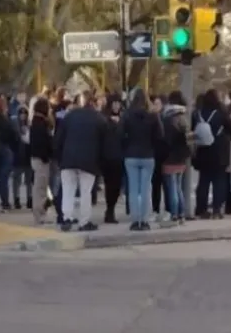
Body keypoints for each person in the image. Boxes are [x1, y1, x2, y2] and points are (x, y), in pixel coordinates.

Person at [54, 91, 106, 232]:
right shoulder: (98, 119)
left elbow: (58, 139)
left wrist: (60, 158)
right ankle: (84, 222)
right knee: (85, 192)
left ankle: (66, 218)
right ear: (93, 103)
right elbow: (104, 143)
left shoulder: (70, 117)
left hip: (68, 159)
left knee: (68, 190)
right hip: (89, 161)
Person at [121, 89, 163, 231]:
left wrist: (126, 146)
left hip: (131, 155)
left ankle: (135, 220)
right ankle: (144, 220)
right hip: (147, 155)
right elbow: (160, 136)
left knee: (133, 189)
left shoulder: (127, 115)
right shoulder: (153, 116)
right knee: (145, 189)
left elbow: (120, 134)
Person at [191, 89, 231, 219]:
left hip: (203, 151)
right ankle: (217, 209)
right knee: (219, 181)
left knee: (203, 181)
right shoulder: (221, 112)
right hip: (219, 151)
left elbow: (194, 130)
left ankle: (201, 208)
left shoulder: (198, 113)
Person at [160, 91, 191, 223]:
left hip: (170, 157)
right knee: (178, 187)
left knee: (172, 187)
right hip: (182, 157)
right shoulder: (184, 118)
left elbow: (165, 140)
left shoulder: (167, 119)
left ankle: (174, 213)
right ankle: (182, 213)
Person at [29, 98, 54, 224]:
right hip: (41, 159)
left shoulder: (36, 122)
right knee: (40, 188)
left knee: (40, 187)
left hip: (36, 158)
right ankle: (39, 214)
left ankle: (39, 213)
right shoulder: (41, 123)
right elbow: (43, 142)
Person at [100, 94, 124, 224]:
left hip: (119, 157)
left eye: (118, 103)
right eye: (114, 103)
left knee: (117, 186)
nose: (116, 106)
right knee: (109, 185)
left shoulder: (123, 119)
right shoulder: (104, 118)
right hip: (107, 157)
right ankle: (109, 211)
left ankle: (111, 208)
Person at [11, 105, 32, 210]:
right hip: (18, 155)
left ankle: (29, 199)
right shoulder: (15, 125)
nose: (23, 116)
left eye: (25, 113)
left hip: (28, 155)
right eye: (21, 113)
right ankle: (16, 199)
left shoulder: (29, 125)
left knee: (29, 180)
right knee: (17, 180)